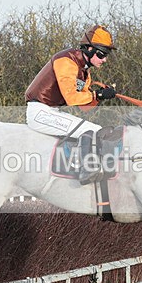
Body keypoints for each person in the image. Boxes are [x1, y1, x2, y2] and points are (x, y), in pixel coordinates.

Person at [25, 24, 117, 185]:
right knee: (91, 130)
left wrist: (100, 97)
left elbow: (84, 106)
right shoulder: (66, 60)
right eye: (102, 54)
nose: (104, 60)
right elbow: (72, 97)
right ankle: (86, 171)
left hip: (52, 111)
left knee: (96, 129)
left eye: (106, 55)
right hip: (39, 112)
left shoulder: (84, 73)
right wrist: (98, 94)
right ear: (89, 49)